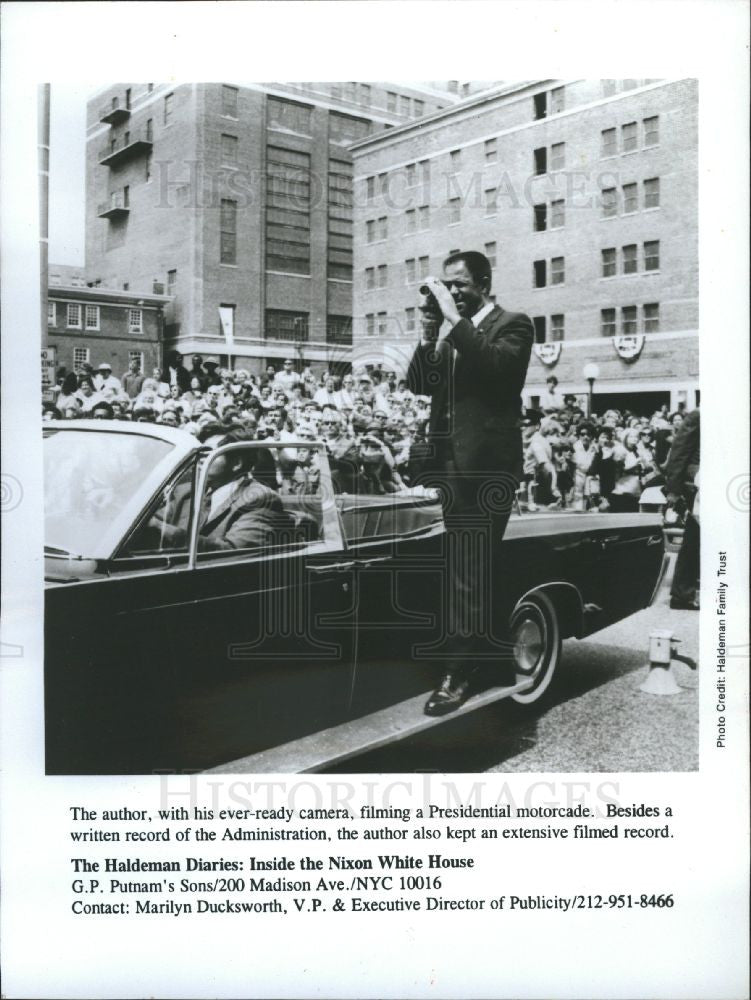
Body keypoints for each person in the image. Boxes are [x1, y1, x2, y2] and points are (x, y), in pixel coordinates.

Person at [408, 250, 533, 715]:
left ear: (483, 282)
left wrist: (452, 318)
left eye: (459, 284)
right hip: (450, 470)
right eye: (447, 284)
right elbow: (421, 385)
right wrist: (427, 335)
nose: (452, 291)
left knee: (466, 571)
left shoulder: (514, 324)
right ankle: (489, 658)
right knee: (468, 568)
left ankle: (459, 673)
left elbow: (497, 371)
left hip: (486, 471)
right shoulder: (450, 333)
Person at [665, 408, 700, 610]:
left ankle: (684, 591)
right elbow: (679, 453)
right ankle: (682, 594)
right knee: (695, 537)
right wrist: (674, 490)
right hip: (698, 483)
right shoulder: (698, 415)